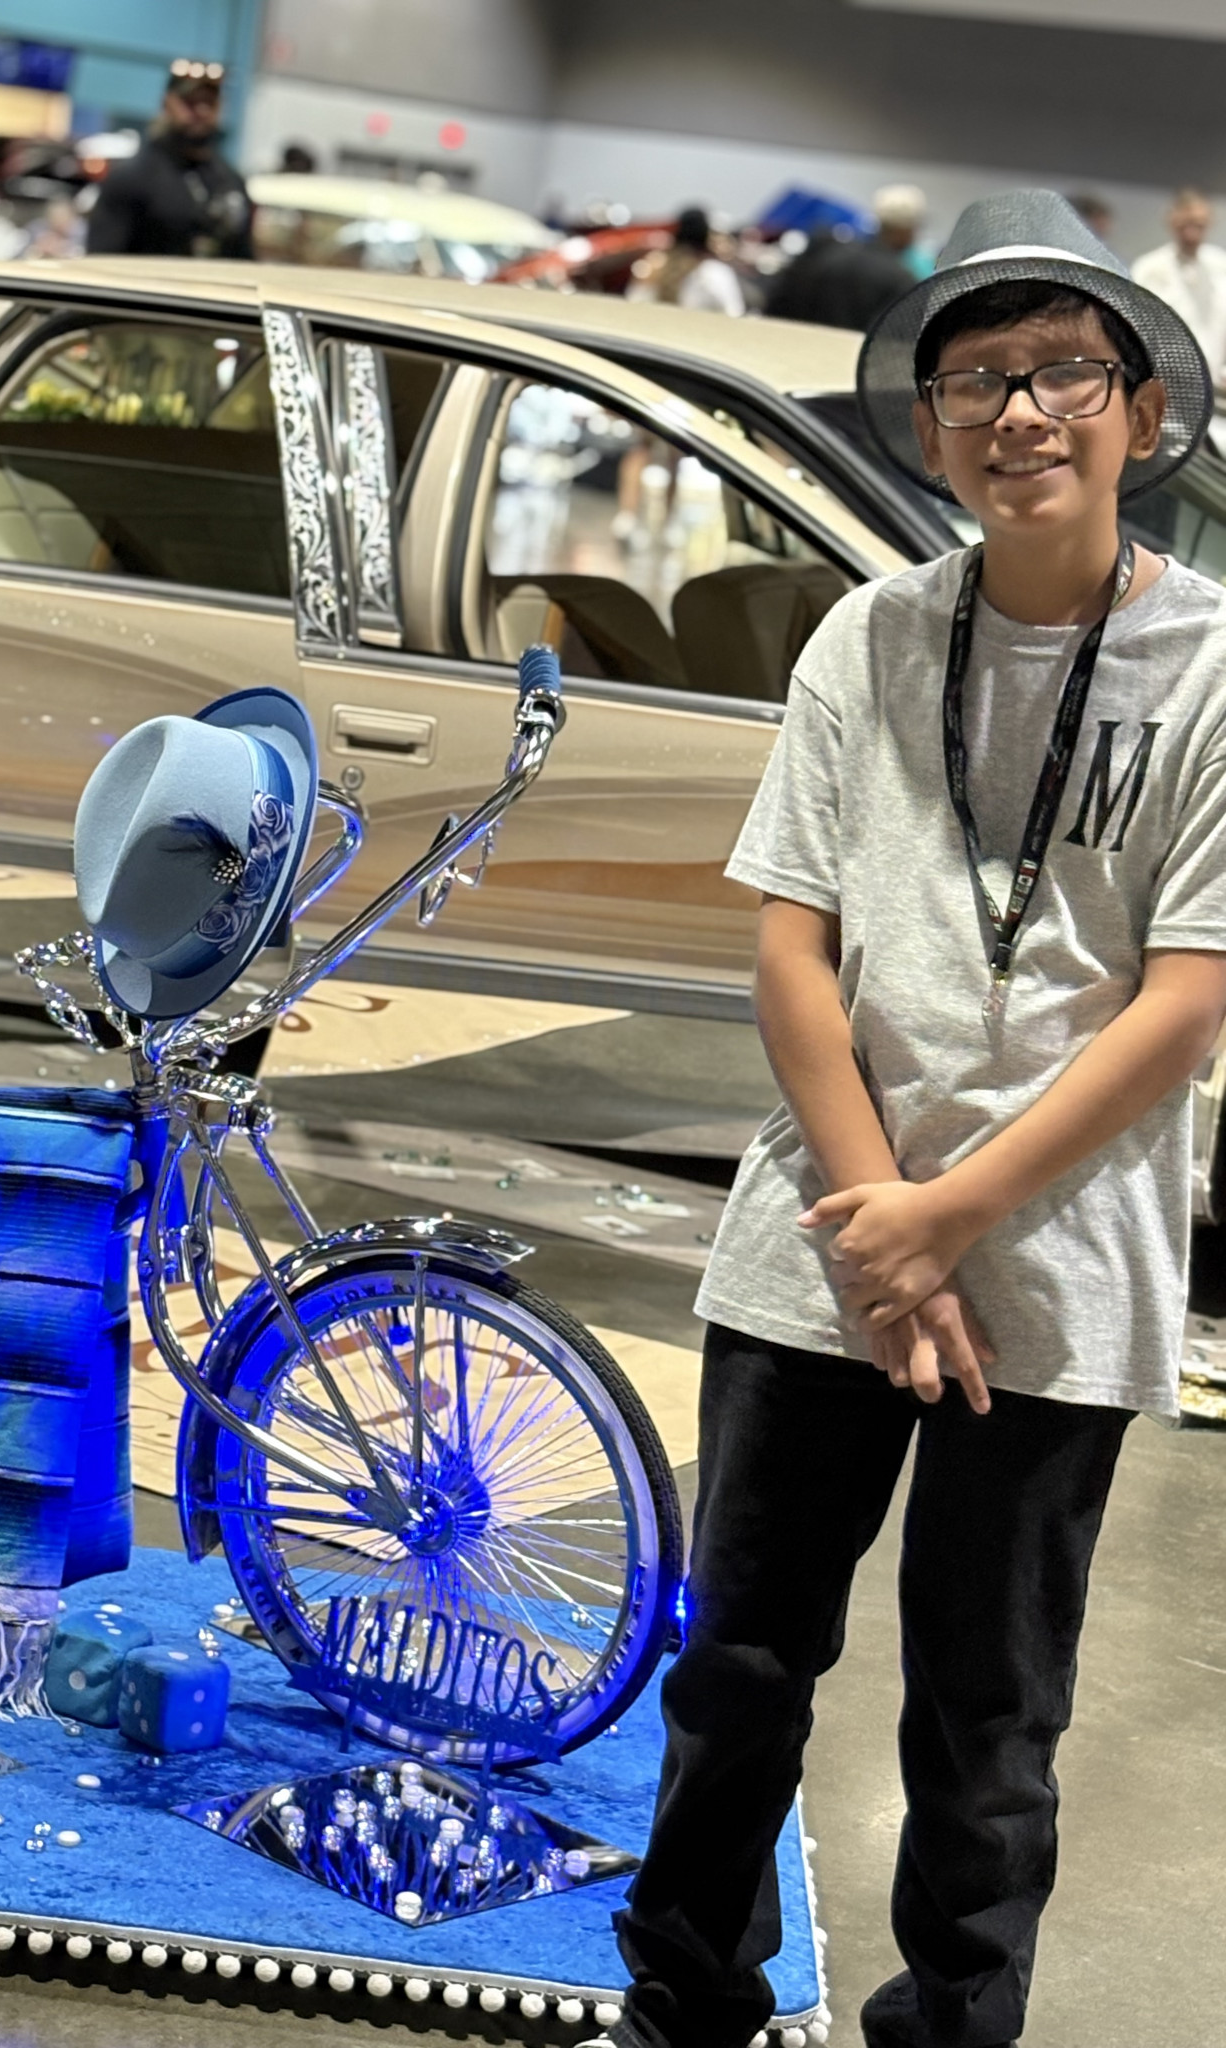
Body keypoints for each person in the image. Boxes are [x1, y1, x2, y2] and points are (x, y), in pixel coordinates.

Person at [589, 189, 1225, 2048]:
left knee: (987, 1712)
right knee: (736, 1668)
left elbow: (1188, 999)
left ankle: (952, 2025)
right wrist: (887, 1225)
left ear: (1141, 412)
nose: (1020, 412)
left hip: (1061, 1264)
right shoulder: (864, 638)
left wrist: (949, 1221)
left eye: (1063, 372)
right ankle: (683, 2004)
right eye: (976, 379)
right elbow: (792, 952)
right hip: (825, 1241)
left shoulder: (1214, 669)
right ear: (931, 425)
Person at [87, 59, 252, 260]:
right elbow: (101, 260)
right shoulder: (132, 179)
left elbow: (244, 257)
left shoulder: (231, 182)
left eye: (209, 103)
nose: (201, 111)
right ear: (167, 103)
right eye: (190, 102)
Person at [763, 185, 921, 330]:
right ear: (906, 231)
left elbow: (779, 305)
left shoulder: (826, 254)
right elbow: (890, 337)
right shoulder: (900, 280)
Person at [1133, 189, 1226, 415]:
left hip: (1216, 388)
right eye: (1187, 224)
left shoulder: (1221, 265)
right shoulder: (1149, 269)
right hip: (1168, 388)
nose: (1192, 231)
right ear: (1173, 221)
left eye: (1199, 224)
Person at [630, 206, 745, 317]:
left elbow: (635, 305)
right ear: (708, 240)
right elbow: (733, 314)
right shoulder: (714, 272)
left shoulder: (653, 265)